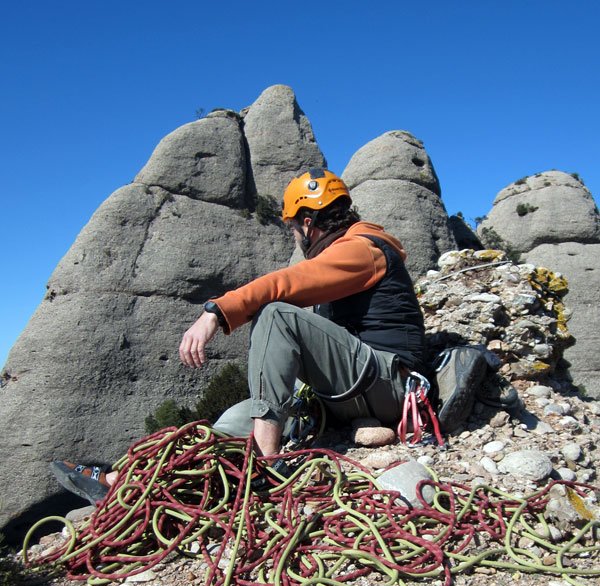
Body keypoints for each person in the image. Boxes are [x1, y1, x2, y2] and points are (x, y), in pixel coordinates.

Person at [51, 168, 486, 503]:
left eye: (294, 228)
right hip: (351, 391)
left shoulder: (363, 249)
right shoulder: (342, 255)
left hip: (389, 384)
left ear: (309, 222)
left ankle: (267, 466)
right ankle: (122, 481)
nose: (296, 237)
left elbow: (283, 286)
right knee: (230, 422)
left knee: (276, 314)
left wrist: (216, 312)